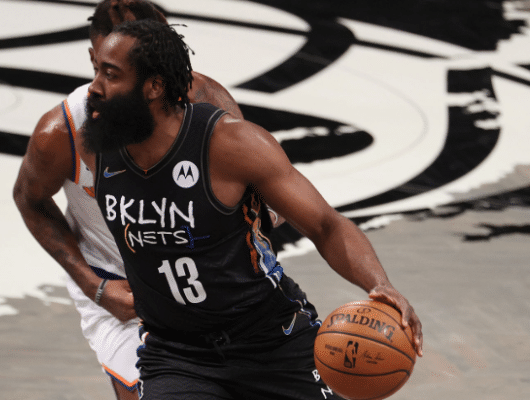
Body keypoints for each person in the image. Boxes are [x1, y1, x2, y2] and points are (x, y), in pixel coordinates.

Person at [76, 19, 423, 400]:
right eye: (96, 71)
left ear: (154, 87)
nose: (94, 87)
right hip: (177, 354)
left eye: (111, 75)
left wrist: (378, 284)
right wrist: (92, 284)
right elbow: (34, 202)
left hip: (272, 339)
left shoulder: (231, 144)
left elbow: (326, 225)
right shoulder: (93, 146)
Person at [12, 1, 246, 399]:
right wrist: (93, 286)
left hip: (207, 279)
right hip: (123, 292)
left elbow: (263, 194)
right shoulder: (62, 132)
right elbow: (28, 199)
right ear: (96, 59)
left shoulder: (206, 99)